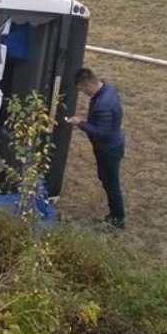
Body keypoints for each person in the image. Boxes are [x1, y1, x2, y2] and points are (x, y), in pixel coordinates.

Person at [64, 67, 126, 229]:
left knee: (111, 184)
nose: (83, 93)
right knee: (105, 178)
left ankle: (118, 219)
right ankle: (115, 214)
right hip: (110, 145)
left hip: (108, 148)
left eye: (82, 89)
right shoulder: (108, 89)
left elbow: (102, 133)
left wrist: (81, 123)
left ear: (89, 85)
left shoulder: (103, 104)